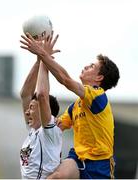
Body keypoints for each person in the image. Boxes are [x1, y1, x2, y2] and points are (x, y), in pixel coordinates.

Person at [20, 32, 120, 179]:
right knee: (56, 177)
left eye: (92, 66)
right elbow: (54, 126)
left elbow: (65, 80)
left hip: (100, 164)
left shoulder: (98, 95)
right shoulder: (75, 107)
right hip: (77, 158)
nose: (86, 66)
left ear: (99, 77)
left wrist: (42, 53)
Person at [20, 33, 65, 179]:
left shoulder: (49, 133)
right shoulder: (34, 130)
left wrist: (43, 54)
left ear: (45, 110)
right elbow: (25, 93)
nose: (27, 112)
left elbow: (41, 95)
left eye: (32, 108)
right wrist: (39, 59)